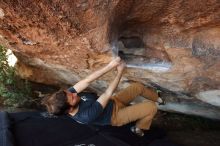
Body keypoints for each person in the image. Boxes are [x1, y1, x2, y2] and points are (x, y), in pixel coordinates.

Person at [42, 57, 165, 136]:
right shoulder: (86, 116)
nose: (74, 93)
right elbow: (107, 93)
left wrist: (111, 65)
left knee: (138, 87)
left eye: (71, 92)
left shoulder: (68, 96)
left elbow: (87, 80)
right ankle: (138, 128)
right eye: (72, 97)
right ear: (69, 109)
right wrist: (119, 72)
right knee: (151, 107)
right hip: (115, 116)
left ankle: (159, 98)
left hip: (113, 102)